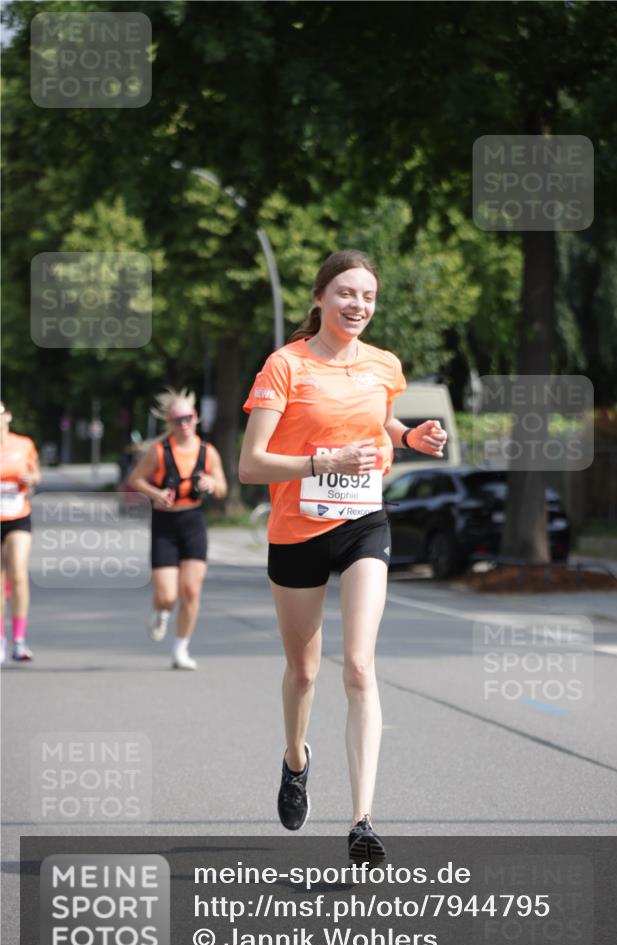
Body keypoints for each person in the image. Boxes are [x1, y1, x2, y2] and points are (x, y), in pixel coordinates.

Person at [239, 250, 447, 861]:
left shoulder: (384, 365)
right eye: (347, 294)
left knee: (358, 666)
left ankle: (362, 822)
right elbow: (251, 465)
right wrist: (321, 462)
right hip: (297, 528)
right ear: (321, 297)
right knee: (304, 671)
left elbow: (379, 420)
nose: (359, 306)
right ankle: (296, 759)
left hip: (362, 522)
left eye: (368, 297)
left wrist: (409, 436)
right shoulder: (286, 366)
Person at [129, 388, 227, 670]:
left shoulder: (208, 452)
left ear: (196, 418)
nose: (183, 424)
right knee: (166, 595)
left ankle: (181, 649)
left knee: (191, 591)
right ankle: (161, 612)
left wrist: (212, 484)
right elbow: (135, 479)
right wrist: (155, 494)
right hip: (165, 525)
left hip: (193, 522)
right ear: (170, 424)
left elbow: (222, 488)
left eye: (187, 418)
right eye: (177, 420)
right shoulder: (159, 452)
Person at [0, 401, 41, 663]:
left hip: (18, 516)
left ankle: (19, 641)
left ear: (7, 416)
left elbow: (36, 475)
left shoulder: (23, 444)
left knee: (18, 575)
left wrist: (31, 479)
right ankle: (1, 640)